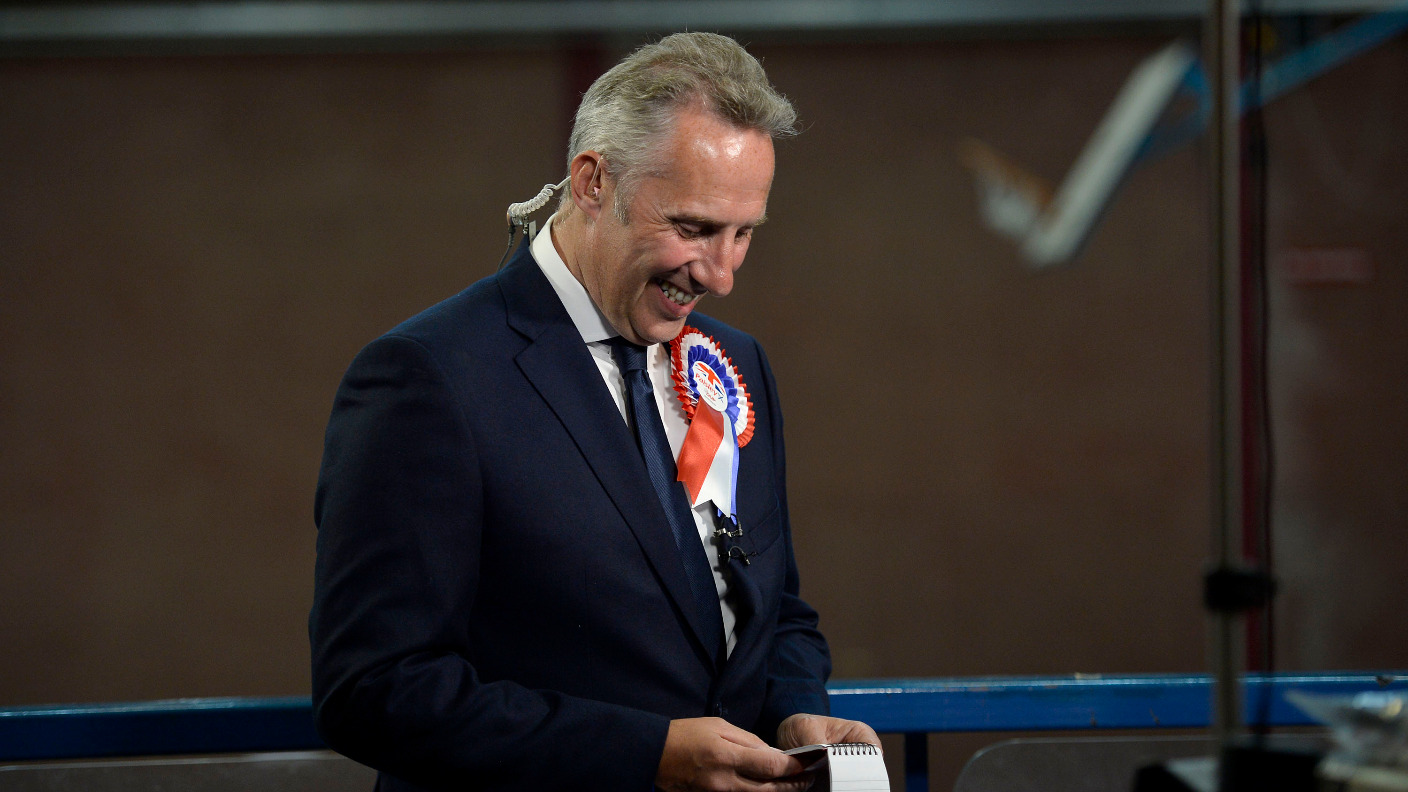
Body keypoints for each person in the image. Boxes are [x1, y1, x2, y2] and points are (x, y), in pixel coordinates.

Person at [310, 32, 878, 792]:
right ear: (592, 183)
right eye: (693, 228)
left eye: (743, 233)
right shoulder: (428, 378)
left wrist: (795, 711)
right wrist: (648, 755)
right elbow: (372, 690)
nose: (721, 274)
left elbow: (778, 614)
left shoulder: (736, 364)